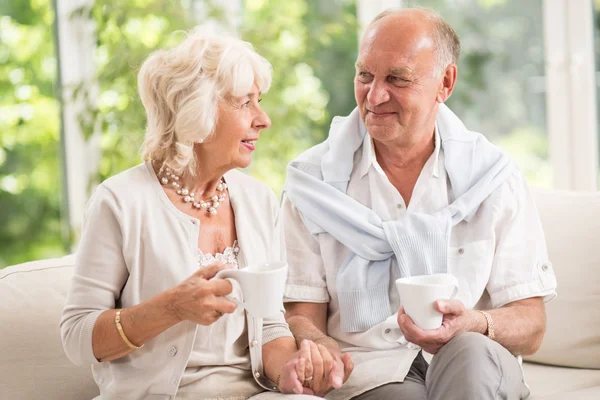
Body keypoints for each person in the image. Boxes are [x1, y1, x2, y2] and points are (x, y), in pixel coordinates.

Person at [281, 8, 557, 400]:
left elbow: (532, 326)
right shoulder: (313, 185)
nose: (375, 96)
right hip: (371, 371)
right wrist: (315, 343)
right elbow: (301, 314)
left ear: (445, 83)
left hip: (473, 364)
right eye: (365, 75)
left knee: (470, 354)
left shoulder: (494, 179)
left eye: (397, 78)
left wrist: (475, 323)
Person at [60, 28, 328, 400]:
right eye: (245, 102)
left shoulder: (259, 200)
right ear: (197, 112)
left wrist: (291, 370)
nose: (263, 119)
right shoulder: (120, 202)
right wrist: (171, 308)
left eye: (259, 101)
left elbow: (269, 324)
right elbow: (77, 337)